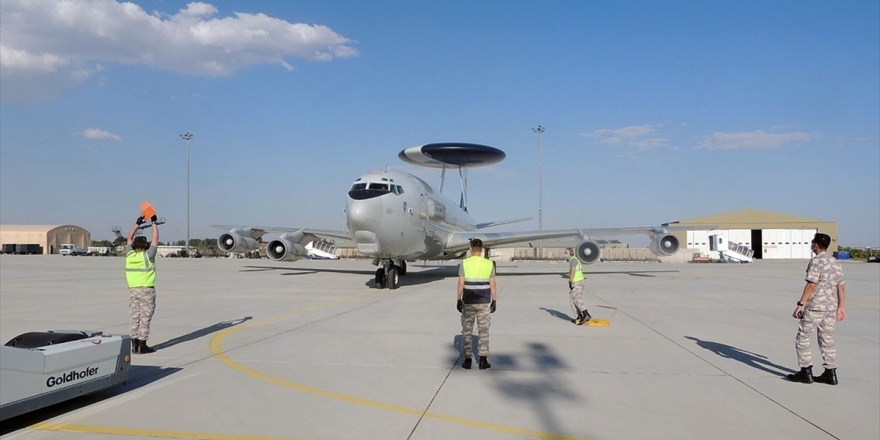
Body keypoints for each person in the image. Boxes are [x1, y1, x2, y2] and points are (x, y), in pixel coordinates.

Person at [786, 233, 846, 385]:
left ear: (815, 245)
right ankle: (830, 372)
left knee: (803, 338)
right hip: (830, 307)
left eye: (812, 243)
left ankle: (805, 371)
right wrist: (841, 307)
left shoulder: (816, 262)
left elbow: (811, 284)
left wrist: (801, 304)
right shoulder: (835, 262)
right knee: (827, 340)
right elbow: (841, 286)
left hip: (815, 307)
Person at [457, 239, 497, 370]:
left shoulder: (465, 263)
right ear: (482, 250)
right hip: (484, 301)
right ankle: (483, 360)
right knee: (483, 331)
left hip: (468, 301)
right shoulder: (489, 263)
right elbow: (492, 284)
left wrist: (458, 299)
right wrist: (494, 300)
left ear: (470, 249)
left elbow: (461, 283)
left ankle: (467, 360)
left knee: (467, 330)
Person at [125, 214, 160, 354]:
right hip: (146, 291)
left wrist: (137, 223)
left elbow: (128, 238)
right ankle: (142, 345)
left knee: (135, 317)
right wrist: (154, 223)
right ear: (145, 246)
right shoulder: (148, 256)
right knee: (145, 318)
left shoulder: (129, 255)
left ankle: (134, 344)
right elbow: (156, 238)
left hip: (133, 291)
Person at [563, 248, 591, 325]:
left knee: (577, 297)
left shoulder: (573, 260)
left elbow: (573, 270)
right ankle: (580, 316)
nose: (565, 254)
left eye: (566, 253)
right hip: (577, 281)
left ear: (571, 253)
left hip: (577, 281)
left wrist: (570, 281)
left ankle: (586, 314)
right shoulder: (574, 260)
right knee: (574, 298)